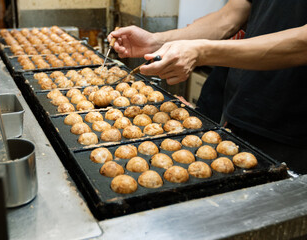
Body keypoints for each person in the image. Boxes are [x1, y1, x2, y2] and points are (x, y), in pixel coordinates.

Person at [108, 0, 307, 174]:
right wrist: (157, 41)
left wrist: (202, 51)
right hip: (241, 107)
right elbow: (230, 15)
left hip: (292, 127)